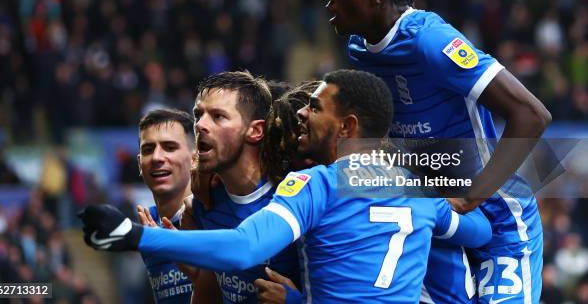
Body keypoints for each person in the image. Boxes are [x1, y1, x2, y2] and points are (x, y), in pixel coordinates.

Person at [79, 69, 493, 303]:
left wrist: (136, 237)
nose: (303, 116)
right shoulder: (411, 188)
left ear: (347, 126)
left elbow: (244, 246)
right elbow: (480, 231)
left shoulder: (311, 186)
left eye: (315, 108)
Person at [328, 0, 551, 303]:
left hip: (496, 214)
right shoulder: (358, 50)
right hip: (434, 218)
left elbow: (532, 115)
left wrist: (469, 196)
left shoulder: (430, 40)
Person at [189, 71, 300, 304]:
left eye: (218, 116)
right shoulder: (203, 202)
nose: (200, 125)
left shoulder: (296, 200)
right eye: (198, 115)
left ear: (255, 130)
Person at [134, 108, 194, 303]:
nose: (157, 157)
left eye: (169, 147)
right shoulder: (148, 225)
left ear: (195, 159)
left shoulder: (213, 215)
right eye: (148, 150)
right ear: (139, 164)